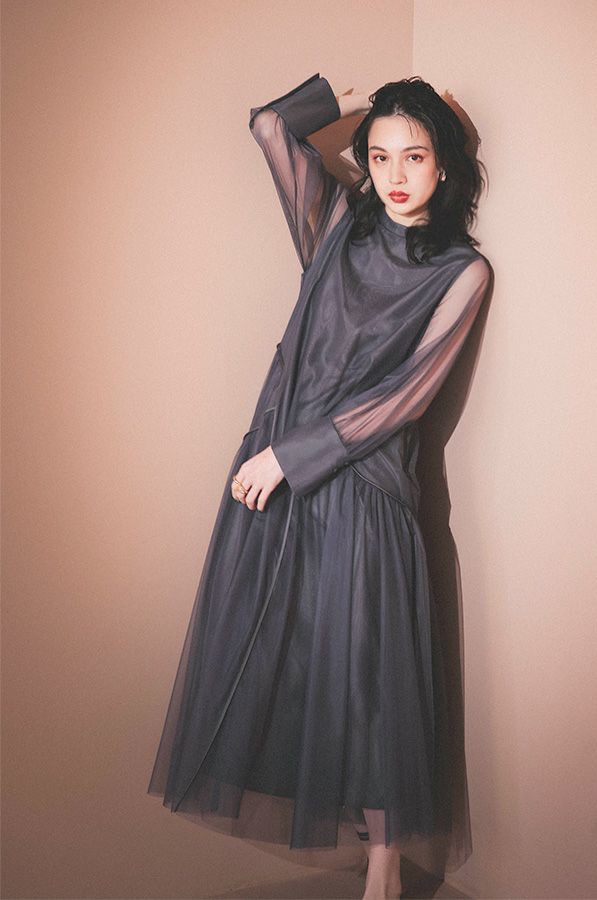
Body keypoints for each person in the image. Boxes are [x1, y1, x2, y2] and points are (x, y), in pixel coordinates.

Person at [147, 72, 492, 900]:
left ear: (446, 165)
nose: (395, 174)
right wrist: (363, 96)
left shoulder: (463, 272)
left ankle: (383, 871)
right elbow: (272, 126)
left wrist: (288, 457)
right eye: (380, 155)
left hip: (361, 488)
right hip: (280, 483)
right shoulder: (334, 228)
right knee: (292, 667)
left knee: (369, 680)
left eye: (416, 155)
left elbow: (403, 399)